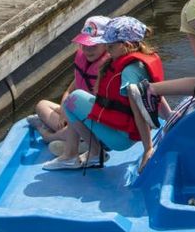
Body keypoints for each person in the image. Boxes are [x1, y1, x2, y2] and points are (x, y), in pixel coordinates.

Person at [44, 16, 167, 171]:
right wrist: (169, 117)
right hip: (125, 132)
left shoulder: (128, 72)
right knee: (75, 98)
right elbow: (156, 95)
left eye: (110, 47)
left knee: (72, 100)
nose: (107, 51)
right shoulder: (140, 63)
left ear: (126, 45)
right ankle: (93, 153)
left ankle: (73, 155)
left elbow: (138, 111)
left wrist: (148, 148)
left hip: (121, 137)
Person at [28, 15, 110, 149]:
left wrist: (70, 117)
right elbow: (69, 91)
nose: (88, 50)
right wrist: (64, 114)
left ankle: (49, 136)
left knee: (71, 131)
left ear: (107, 44)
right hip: (74, 113)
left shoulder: (107, 68)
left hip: (92, 121)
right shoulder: (84, 63)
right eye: (85, 45)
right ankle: (71, 138)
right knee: (41, 105)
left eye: (93, 46)